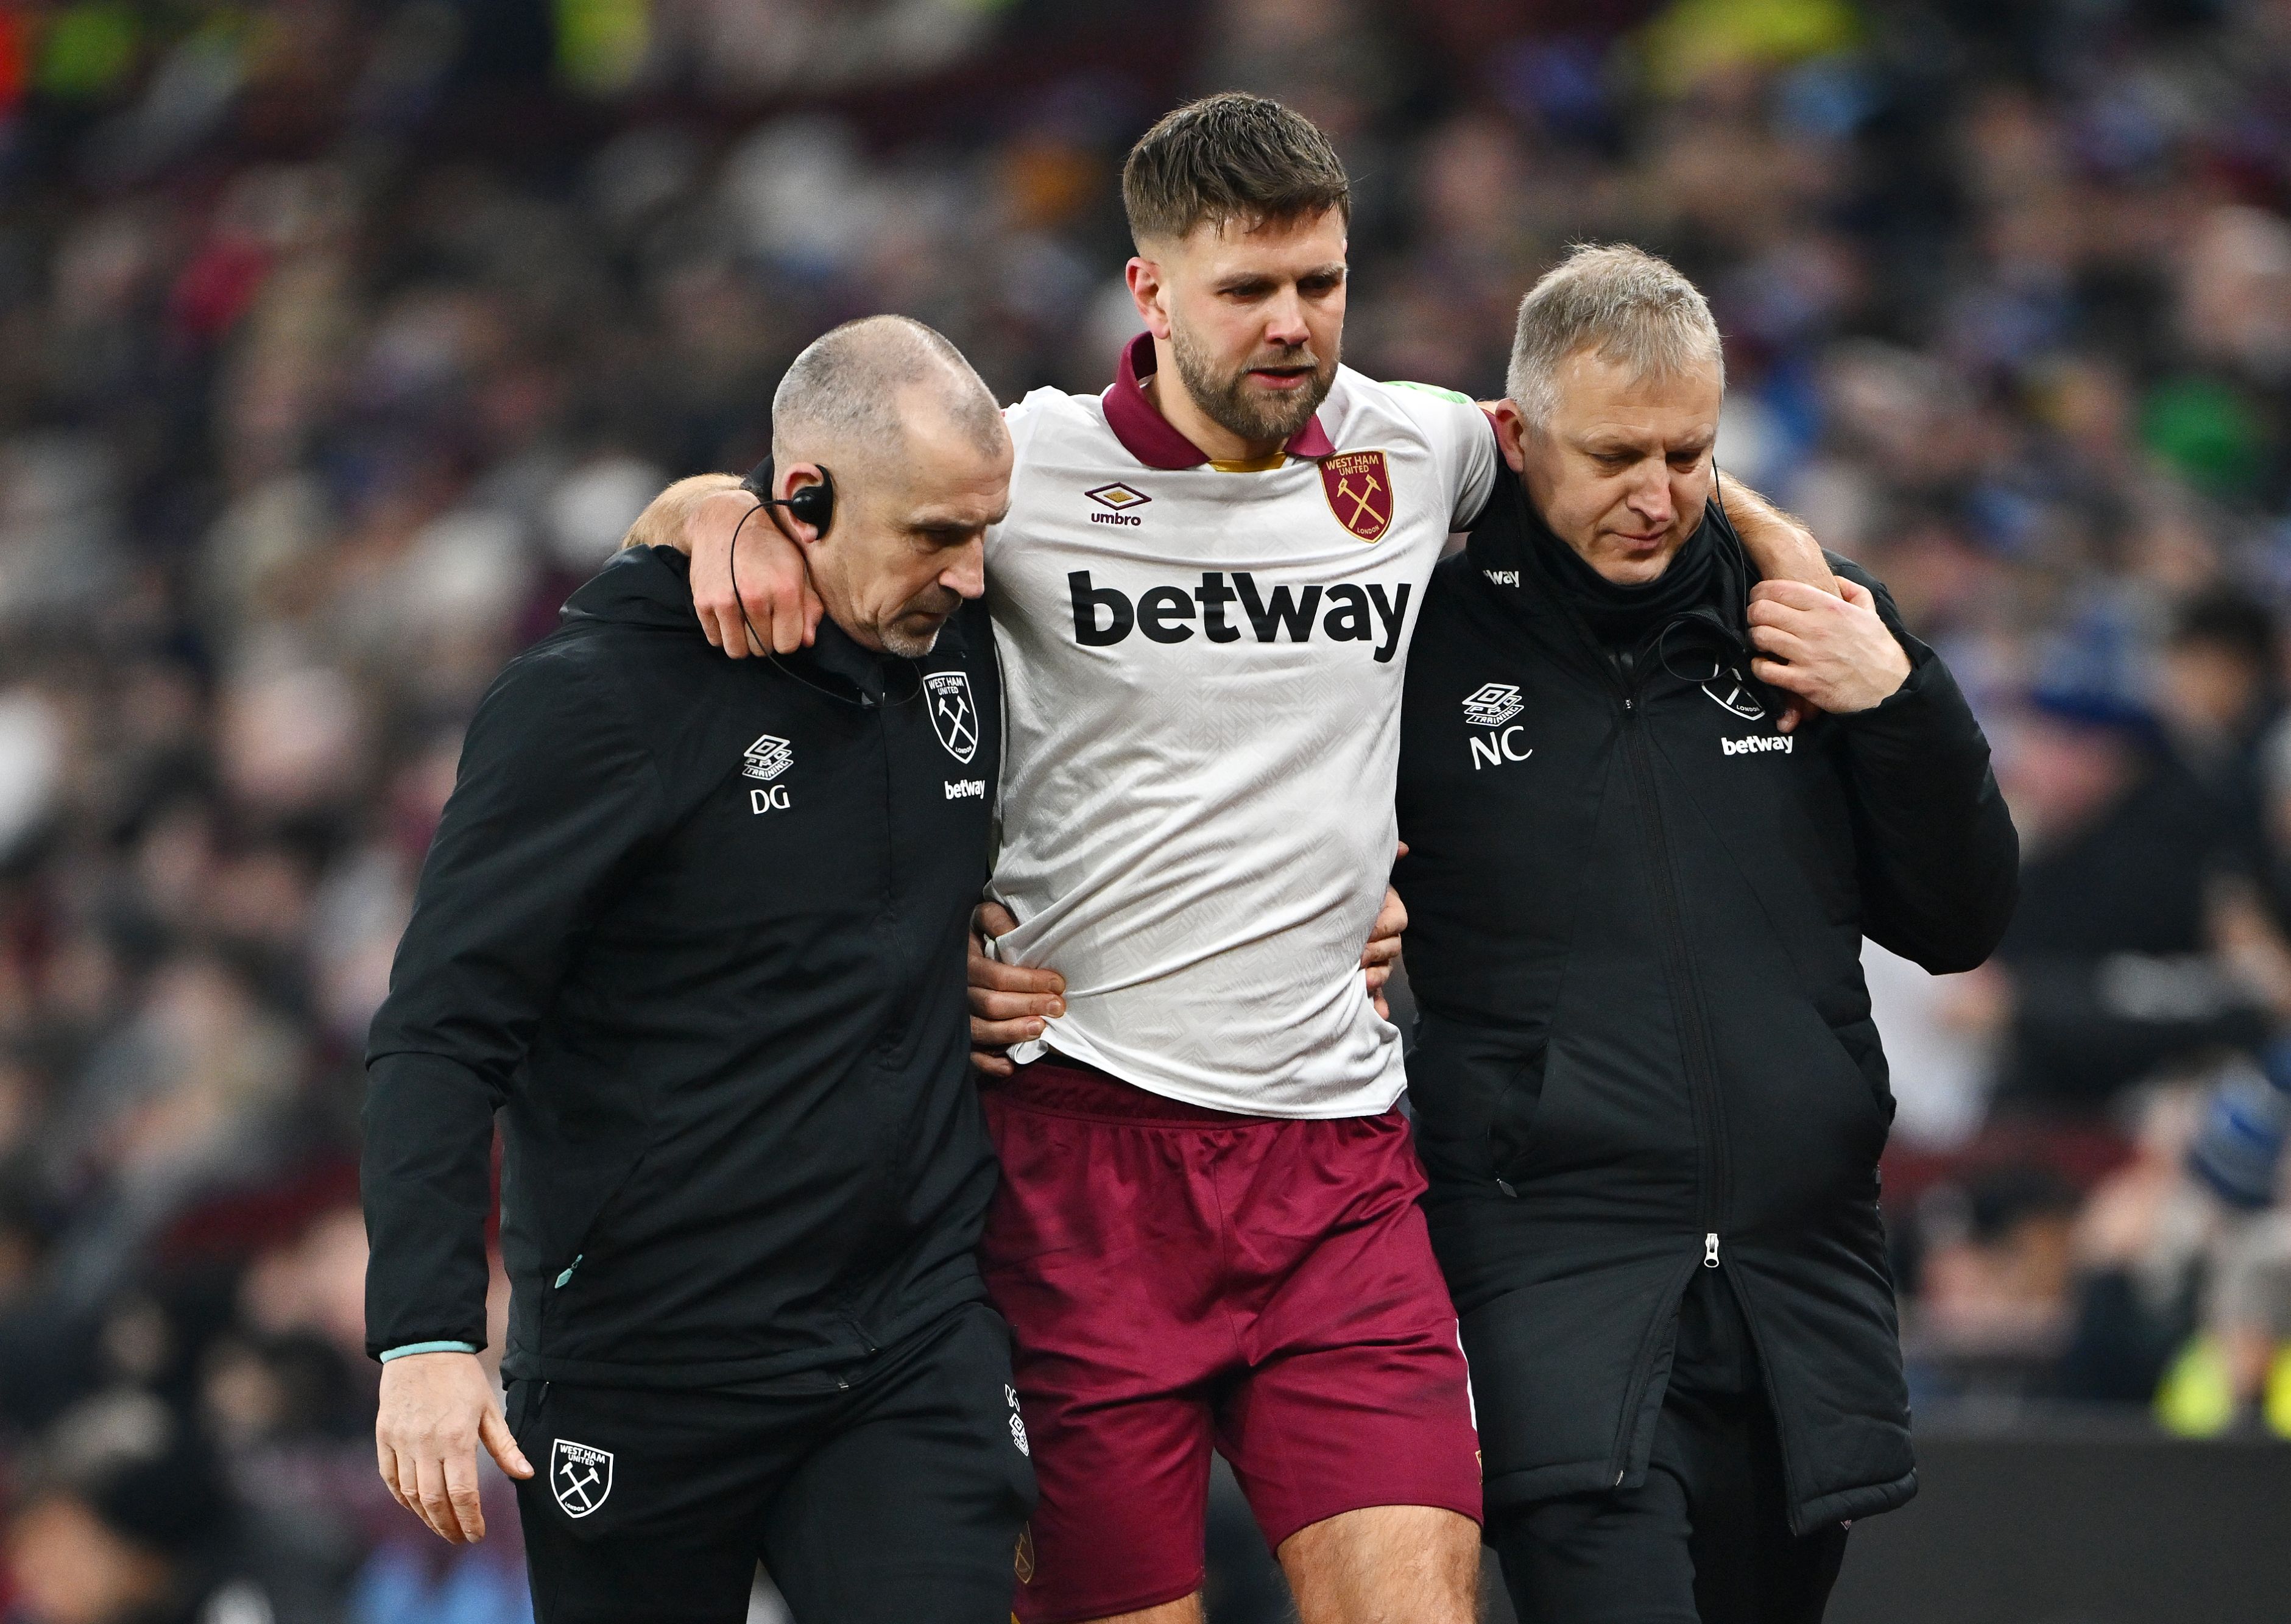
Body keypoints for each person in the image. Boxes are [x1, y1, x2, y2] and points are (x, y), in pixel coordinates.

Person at [640, 95, 1837, 1624]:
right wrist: (701, 519)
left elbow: (1612, 454)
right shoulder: (1029, 473)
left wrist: (1794, 555)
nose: (1293, 325)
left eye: (1321, 283)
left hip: (1338, 1161)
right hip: (1075, 1163)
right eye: (1248, 289)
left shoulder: (1412, 450)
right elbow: (810, 529)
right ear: (1148, 294)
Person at [359, 317, 1036, 1623]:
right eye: (936, 538)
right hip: (646, 1358)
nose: (971, 575)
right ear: (803, 502)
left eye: (984, 530)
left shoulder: (946, 641)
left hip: (904, 1340)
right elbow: (441, 1027)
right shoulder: (598, 701)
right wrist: (430, 1335)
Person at [1392, 245, 2019, 1623]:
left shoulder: (1806, 615)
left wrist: (1895, 693)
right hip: (1552, 1267)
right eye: (1614, 452)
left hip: (1797, 1278)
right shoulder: (1414, 636)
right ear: (1511, 436)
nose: (1656, 493)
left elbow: (1960, 919)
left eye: (1688, 452)